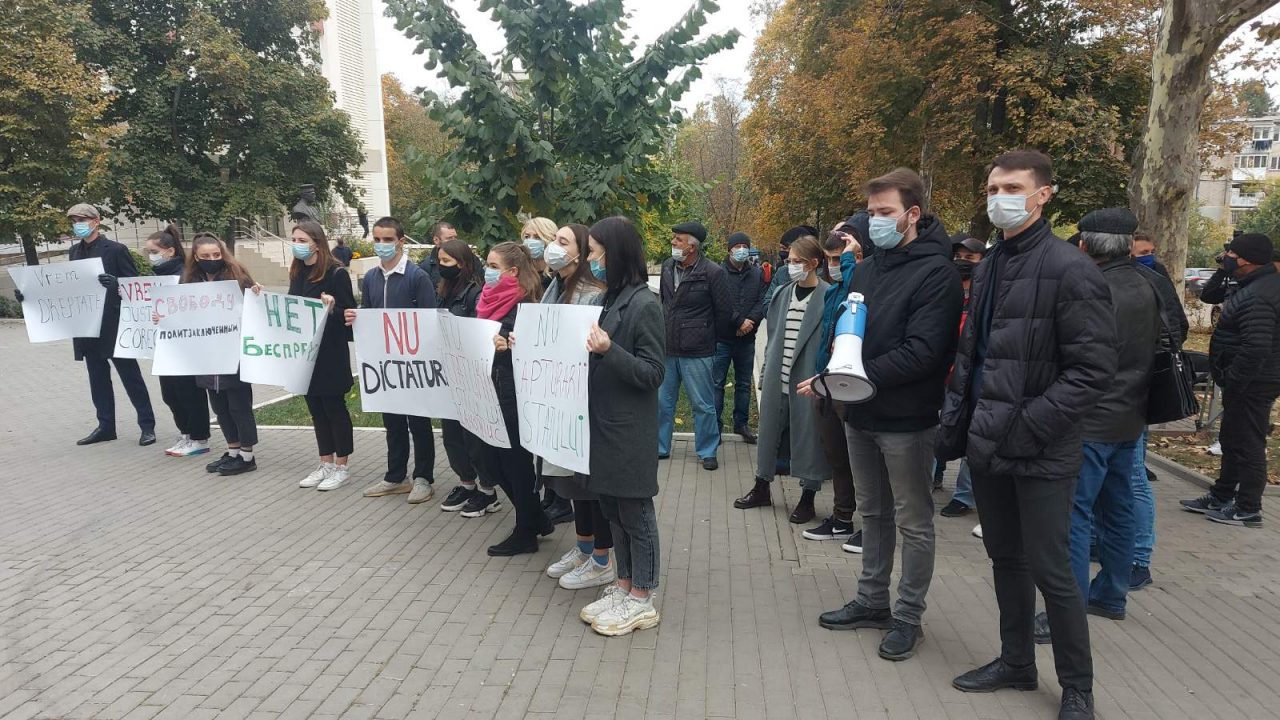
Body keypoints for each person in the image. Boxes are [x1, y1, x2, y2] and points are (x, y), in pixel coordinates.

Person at [938, 150, 1116, 720]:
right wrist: (958, 423)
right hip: (989, 442)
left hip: (1042, 447)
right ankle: (1016, 662)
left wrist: (1031, 422)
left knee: (1052, 569)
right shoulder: (989, 265)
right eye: (992, 188)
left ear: (1044, 195)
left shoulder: (1071, 268)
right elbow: (977, 354)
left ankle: (1077, 688)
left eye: (1011, 187)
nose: (998, 198)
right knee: (1005, 559)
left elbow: (1092, 372)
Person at [804, 168, 963, 663]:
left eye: (885, 213)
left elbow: (925, 353)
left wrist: (854, 377)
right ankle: (872, 600)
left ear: (913, 214)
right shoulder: (869, 269)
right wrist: (836, 376)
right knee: (872, 513)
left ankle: (907, 616)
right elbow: (850, 336)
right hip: (860, 414)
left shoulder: (937, 273)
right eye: (871, 213)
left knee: (913, 520)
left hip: (908, 419)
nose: (875, 222)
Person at [1029, 209, 1157, 645]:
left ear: (1084, 244)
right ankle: (1112, 594)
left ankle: (1066, 610)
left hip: (1088, 418)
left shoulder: (1092, 287)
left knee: (1074, 515)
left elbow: (1077, 356)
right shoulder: (1148, 283)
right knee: (1118, 508)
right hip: (1130, 416)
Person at [577, 216, 667, 636]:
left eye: (595, 252)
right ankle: (624, 584)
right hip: (603, 424)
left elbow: (652, 373)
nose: (590, 260)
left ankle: (643, 597)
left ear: (615, 254)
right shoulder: (609, 299)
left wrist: (610, 350)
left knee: (636, 512)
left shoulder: (644, 304)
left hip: (629, 429)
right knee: (613, 509)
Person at [26, 204, 158, 446]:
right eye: (74, 219)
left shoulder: (116, 250)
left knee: (131, 377)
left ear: (96, 221)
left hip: (113, 325)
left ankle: (147, 425)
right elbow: (67, 288)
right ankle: (106, 426)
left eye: (82, 219)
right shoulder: (75, 251)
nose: (78, 223)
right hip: (87, 327)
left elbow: (135, 286)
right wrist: (29, 294)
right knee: (97, 378)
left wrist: (117, 283)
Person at [1181, 232, 1280, 528]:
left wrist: (1235, 380)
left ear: (1246, 260)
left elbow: (1256, 346)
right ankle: (1222, 495)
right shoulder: (1252, 285)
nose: (1226, 259)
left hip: (1254, 381)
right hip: (1245, 379)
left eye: (1231, 255)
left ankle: (1248, 507)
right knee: (1232, 438)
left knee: (1247, 442)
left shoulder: (1261, 293)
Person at [539, 223, 616, 590]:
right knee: (570, 482)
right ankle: (584, 547)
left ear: (582, 252)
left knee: (590, 485)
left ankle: (602, 557)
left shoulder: (594, 294)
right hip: (559, 401)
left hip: (582, 401)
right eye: (555, 240)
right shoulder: (555, 287)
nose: (554, 247)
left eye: (562, 242)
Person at [734, 235, 831, 524]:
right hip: (779, 377)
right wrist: (765, 374)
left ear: (814, 263)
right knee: (769, 435)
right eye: (789, 261)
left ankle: (808, 497)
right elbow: (773, 339)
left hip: (807, 382)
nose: (791, 267)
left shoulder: (828, 296)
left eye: (797, 262)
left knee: (808, 438)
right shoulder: (782, 293)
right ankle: (762, 487)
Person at [344, 218, 439, 503]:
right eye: (377, 239)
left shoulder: (416, 276)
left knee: (419, 422)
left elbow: (428, 318)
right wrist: (355, 318)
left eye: (388, 239)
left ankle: (424, 477)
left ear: (400, 240)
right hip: (385, 365)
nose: (382, 245)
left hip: (413, 364)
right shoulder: (372, 277)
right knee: (393, 422)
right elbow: (369, 314)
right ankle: (396, 476)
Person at [800, 216, 864, 550]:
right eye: (830, 260)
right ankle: (842, 519)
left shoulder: (863, 283)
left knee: (862, 461)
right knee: (837, 457)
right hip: (826, 384)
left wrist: (853, 259)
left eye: (840, 260)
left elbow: (860, 294)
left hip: (853, 388)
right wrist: (818, 379)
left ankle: (872, 525)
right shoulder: (832, 291)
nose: (834, 266)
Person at [485, 242, 552, 555]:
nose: (488, 271)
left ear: (512, 272)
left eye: (494, 266)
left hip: (514, 393)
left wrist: (509, 346)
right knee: (495, 464)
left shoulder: (526, 303)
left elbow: (535, 350)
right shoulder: (487, 299)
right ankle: (536, 517)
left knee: (514, 464)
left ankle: (526, 530)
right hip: (493, 389)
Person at [1129, 239, 1189, 590]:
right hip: (1119, 396)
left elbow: (1176, 331)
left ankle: (1139, 558)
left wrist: (1142, 366)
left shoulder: (1150, 281)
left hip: (1132, 397)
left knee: (1133, 475)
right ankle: (1103, 544)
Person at [432, 239, 502, 516]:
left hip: (472, 378)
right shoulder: (443, 292)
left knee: (474, 438)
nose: (441, 266)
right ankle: (466, 484)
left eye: (447, 262)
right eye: (439, 261)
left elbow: (478, 332)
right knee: (452, 436)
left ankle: (488, 491)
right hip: (449, 375)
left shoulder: (475, 294)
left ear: (462, 264)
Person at [286, 221, 358, 492]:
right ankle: (324, 462)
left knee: (334, 409)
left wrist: (332, 309)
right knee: (315, 408)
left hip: (330, 353)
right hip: (306, 354)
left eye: (302, 239)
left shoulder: (336, 272)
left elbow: (349, 315)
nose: (297, 244)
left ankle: (341, 466)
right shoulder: (297, 272)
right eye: (294, 239)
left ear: (317, 242)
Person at [657, 221, 734, 470]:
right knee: (662, 402)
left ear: (692, 246)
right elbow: (665, 304)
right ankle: (660, 447)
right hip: (668, 347)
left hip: (698, 351)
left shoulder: (712, 272)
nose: (673, 243)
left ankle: (707, 450)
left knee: (702, 404)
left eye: (678, 239)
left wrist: (708, 338)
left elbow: (724, 312)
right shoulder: (668, 267)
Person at [185, 233, 260, 476]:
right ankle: (233, 450)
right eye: (205, 256)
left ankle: (248, 456)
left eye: (216, 255)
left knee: (239, 406)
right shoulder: (190, 281)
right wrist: (163, 317)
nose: (212, 259)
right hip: (208, 356)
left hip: (234, 354)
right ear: (195, 257)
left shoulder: (237, 276)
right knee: (220, 407)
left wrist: (257, 293)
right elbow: (180, 312)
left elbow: (256, 306)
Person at [145, 225, 211, 458]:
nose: (150, 256)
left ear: (169, 251)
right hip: (166, 344)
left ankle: (199, 436)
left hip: (186, 345)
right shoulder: (157, 277)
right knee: (170, 393)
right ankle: (185, 433)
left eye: (153, 251)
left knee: (188, 392)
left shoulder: (185, 275)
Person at [937, 234, 988, 516]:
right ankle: (934, 475)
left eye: (970, 258)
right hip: (943, 373)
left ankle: (964, 496)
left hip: (970, 376)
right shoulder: (945, 288)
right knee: (939, 428)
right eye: (959, 257)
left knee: (970, 434)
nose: (962, 263)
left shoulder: (986, 293)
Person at [713, 232, 766, 444]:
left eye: (745, 245)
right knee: (717, 383)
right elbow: (719, 303)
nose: (742, 249)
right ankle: (715, 426)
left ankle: (741, 423)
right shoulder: (718, 272)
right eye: (738, 246)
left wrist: (750, 322)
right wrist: (738, 322)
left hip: (747, 339)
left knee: (743, 384)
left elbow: (762, 300)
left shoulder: (757, 273)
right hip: (723, 338)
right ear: (730, 249)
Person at [763, 225, 819, 312]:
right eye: (789, 261)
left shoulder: (822, 279)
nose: (783, 252)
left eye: (785, 248)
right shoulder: (781, 272)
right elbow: (767, 303)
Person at [418, 221, 459, 287]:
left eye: (455, 238)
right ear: (436, 240)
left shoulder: (470, 261)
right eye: (449, 238)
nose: (454, 242)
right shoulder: (427, 266)